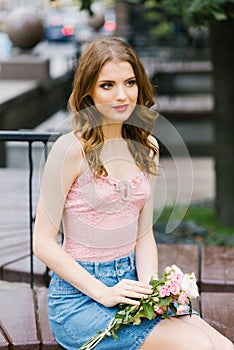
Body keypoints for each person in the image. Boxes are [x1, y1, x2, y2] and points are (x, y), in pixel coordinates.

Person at [33, 37, 233, 350]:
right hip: (80, 299)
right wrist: (104, 292)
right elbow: (42, 242)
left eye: (129, 82)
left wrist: (152, 289)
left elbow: (144, 236)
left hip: (133, 284)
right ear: (88, 91)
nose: (123, 95)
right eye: (107, 85)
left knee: (222, 346)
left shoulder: (147, 147)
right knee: (197, 346)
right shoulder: (70, 150)